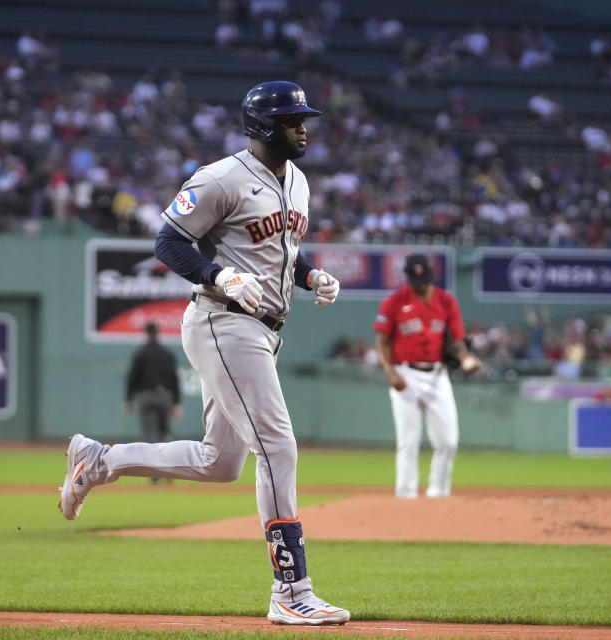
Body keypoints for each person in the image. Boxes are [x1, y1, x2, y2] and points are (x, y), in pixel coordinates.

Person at [58, 80, 349, 626]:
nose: (304, 127)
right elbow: (167, 241)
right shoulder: (221, 178)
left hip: (262, 328)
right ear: (265, 127)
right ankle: (291, 588)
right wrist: (220, 275)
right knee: (279, 447)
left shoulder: (300, 182)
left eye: (303, 118)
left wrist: (309, 275)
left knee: (220, 464)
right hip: (223, 321)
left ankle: (101, 460)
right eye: (293, 120)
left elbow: (279, 248)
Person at [373, 254, 481, 499]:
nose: (421, 284)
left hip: (437, 375)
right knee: (408, 443)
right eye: (416, 279)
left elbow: (457, 341)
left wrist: (465, 358)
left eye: (424, 279)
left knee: (448, 442)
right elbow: (381, 342)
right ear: (409, 277)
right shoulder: (394, 302)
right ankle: (406, 497)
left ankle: (438, 495)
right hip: (405, 373)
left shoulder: (446, 302)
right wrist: (390, 371)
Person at [123, 322, 181, 483]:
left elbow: (132, 378)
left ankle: (155, 473)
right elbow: (175, 379)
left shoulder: (141, 353)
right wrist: (176, 402)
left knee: (151, 434)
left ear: (146, 334)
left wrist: (128, 399)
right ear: (158, 333)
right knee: (165, 433)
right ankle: (171, 470)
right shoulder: (167, 354)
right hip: (165, 396)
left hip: (147, 396)